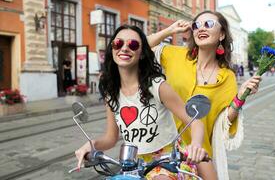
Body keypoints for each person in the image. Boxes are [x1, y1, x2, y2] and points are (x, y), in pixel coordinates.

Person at [75, 25, 207, 179]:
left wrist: (195, 146)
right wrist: (91, 145)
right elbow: (111, 138)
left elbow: (196, 122)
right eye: (118, 43)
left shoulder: (157, 86)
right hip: (133, 165)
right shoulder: (111, 92)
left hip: (169, 162)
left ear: (142, 54)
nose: (124, 48)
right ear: (112, 49)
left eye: (133, 45)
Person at [147, 10, 261, 180]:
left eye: (208, 24)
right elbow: (141, 46)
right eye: (196, 25)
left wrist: (241, 96)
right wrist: (169, 30)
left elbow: (224, 121)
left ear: (221, 34)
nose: (201, 28)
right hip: (162, 145)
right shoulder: (176, 55)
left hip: (197, 152)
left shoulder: (227, 76)